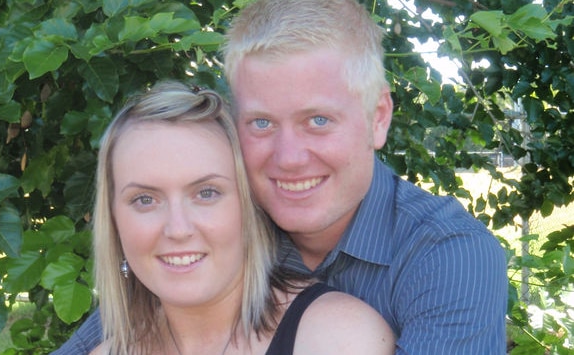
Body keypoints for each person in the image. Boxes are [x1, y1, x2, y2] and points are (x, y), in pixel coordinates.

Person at [54, 0, 508, 353]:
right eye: (262, 124)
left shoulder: (448, 258)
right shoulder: (221, 222)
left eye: (318, 121)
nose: (288, 159)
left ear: (378, 117)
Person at [79, 81, 394, 354]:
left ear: (248, 207)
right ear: (115, 222)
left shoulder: (335, 338)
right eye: (145, 199)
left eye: (206, 193)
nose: (177, 229)